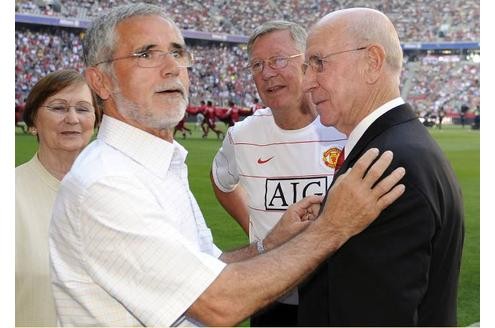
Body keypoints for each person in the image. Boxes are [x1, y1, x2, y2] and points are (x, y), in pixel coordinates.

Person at [48, 4, 405, 327]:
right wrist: (332, 226)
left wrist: (270, 243)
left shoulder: (159, 166)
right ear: (100, 80)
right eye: (146, 54)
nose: (172, 67)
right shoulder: (105, 183)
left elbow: (209, 267)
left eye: (177, 52)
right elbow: (218, 303)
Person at [299, 8, 464, 326]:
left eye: (319, 63)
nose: (306, 82)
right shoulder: (394, 147)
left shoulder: (386, 165)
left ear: (372, 62)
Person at [210, 20, 346, 326]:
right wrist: (255, 229)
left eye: (279, 60)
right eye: (257, 64)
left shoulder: (343, 128)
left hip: (335, 294)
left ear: (307, 64)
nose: (267, 73)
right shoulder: (242, 136)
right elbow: (221, 181)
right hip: (270, 294)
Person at [16, 69, 101, 327]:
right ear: (32, 122)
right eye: (58, 108)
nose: (72, 119)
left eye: (83, 109)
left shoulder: (120, 193)